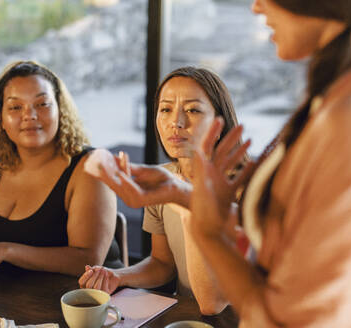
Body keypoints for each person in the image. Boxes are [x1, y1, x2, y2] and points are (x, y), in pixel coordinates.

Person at [187, 0, 351, 327]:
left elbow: (282, 320)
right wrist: (192, 198)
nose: (257, 7)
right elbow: (310, 235)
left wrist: (207, 233)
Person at [79, 67, 249, 315]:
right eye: (166, 109)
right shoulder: (164, 178)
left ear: (219, 123)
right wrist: (119, 276)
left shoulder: (244, 189)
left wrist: (184, 201)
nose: (176, 123)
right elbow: (163, 263)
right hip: (185, 318)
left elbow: (213, 303)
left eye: (192, 110)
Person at [0, 61, 119, 277]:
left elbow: (87, 260)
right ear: (1, 118)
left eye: (42, 104)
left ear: (60, 111)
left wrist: (5, 251)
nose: (30, 115)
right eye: (15, 107)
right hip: (1, 298)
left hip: (84, 302)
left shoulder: (90, 168)